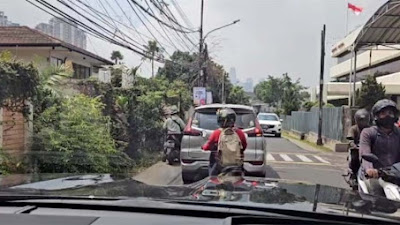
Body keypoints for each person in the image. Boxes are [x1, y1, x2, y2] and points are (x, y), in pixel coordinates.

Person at [359, 99, 400, 196]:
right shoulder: (368, 132)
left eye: (390, 113)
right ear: (376, 116)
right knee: (373, 199)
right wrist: (370, 169)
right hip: (374, 176)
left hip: (395, 175)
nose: (387, 116)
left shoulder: (398, 133)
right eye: (383, 113)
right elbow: (365, 152)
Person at [201, 108, 247, 176]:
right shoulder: (239, 133)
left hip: (219, 166)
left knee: (213, 177)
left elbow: (208, 146)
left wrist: (203, 147)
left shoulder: (217, 133)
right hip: (237, 165)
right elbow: (244, 146)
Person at [346, 108, 370, 188]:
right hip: (356, 149)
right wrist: (353, 145)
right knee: (354, 158)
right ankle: (353, 175)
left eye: (364, 120)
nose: (362, 122)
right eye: (361, 120)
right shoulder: (354, 129)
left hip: (368, 149)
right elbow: (350, 138)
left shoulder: (370, 129)